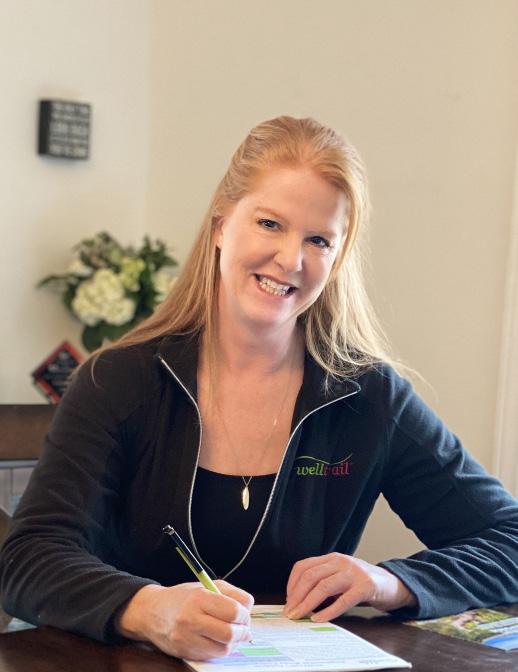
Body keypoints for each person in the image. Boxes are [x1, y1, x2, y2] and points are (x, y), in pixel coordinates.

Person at [1, 116, 517, 661]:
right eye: (270, 223)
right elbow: (28, 560)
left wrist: (390, 582)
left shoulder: (370, 396)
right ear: (221, 225)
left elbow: (508, 539)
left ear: (338, 257)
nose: (291, 259)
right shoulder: (118, 380)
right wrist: (149, 610)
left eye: (318, 240)